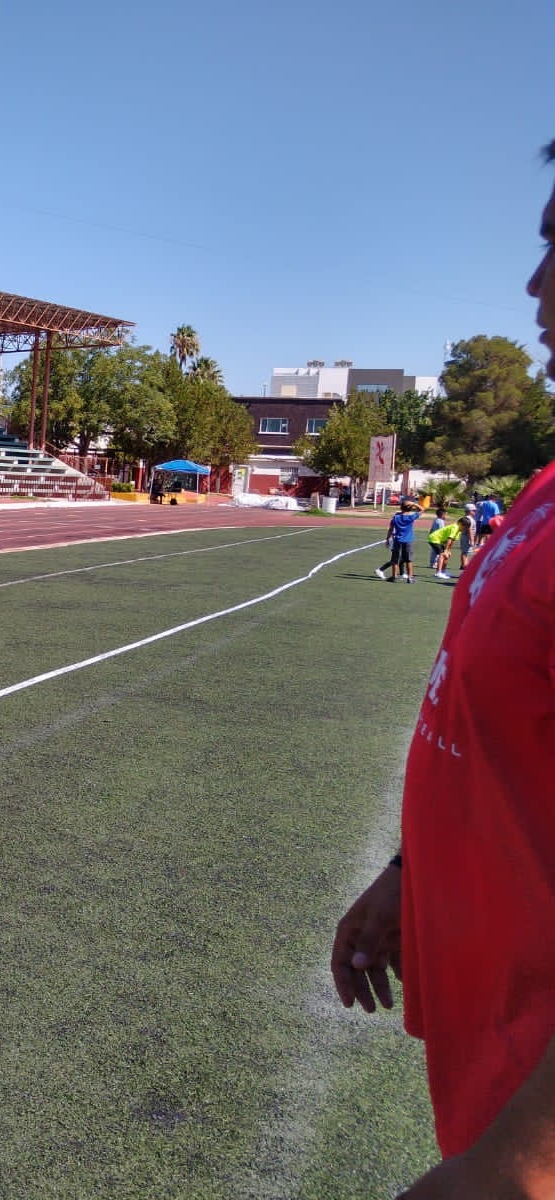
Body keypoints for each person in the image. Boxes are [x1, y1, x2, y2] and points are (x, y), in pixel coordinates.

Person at [330, 139, 555, 1197]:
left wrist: (521, 1165)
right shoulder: (544, 493)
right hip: (492, 1038)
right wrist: (406, 873)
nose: (533, 283)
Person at [375, 499, 421, 583]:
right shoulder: (411, 517)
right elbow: (422, 509)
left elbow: (390, 529)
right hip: (408, 541)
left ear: (401, 508)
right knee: (408, 560)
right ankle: (410, 578)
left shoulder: (395, 517)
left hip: (397, 541)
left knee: (395, 560)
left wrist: (387, 539)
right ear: (410, 509)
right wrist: (413, 503)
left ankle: (394, 576)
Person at [425, 514, 465, 580]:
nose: (465, 529)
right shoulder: (455, 527)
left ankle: (443, 571)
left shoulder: (459, 530)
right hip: (434, 539)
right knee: (442, 554)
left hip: (440, 541)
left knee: (447, 555)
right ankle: (438, 573)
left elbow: (452, 541)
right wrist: (446, 550)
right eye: (465, 527)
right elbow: (449, 539)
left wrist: (449, 550)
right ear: (461, 524)